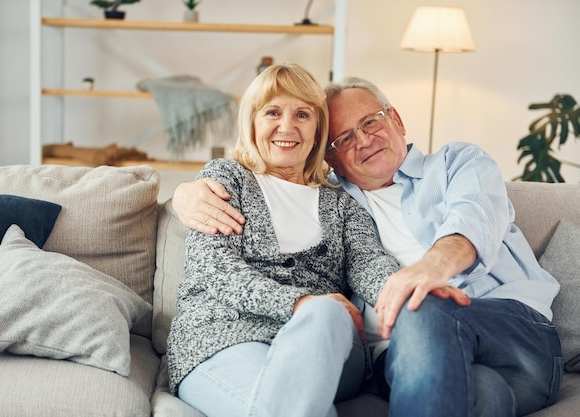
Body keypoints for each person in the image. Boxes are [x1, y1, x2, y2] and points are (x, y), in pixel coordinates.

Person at [172, 76, 563, 417]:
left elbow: (472, 219)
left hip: (505, 328)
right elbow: (220, 257)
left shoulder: (456, 163)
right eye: (343, 138)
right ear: (330, 157)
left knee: (422, 304)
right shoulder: (340, 198)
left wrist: (426, 275)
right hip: (403, 355)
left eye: (371, 122)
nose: (363, 140)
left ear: (396, 120)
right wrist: (182, 194)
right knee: (485, 396)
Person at [166, 64, 403, 417]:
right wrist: (299, 302)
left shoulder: (342, 202)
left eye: (302, 114)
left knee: (328, 312)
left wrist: (409, 289)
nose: (287, 127)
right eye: (272, 112)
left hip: (328, 341)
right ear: (252, 123)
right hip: (225, 336)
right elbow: (214, 268)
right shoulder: (226, 178)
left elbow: (370, 263)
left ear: (318, 130)